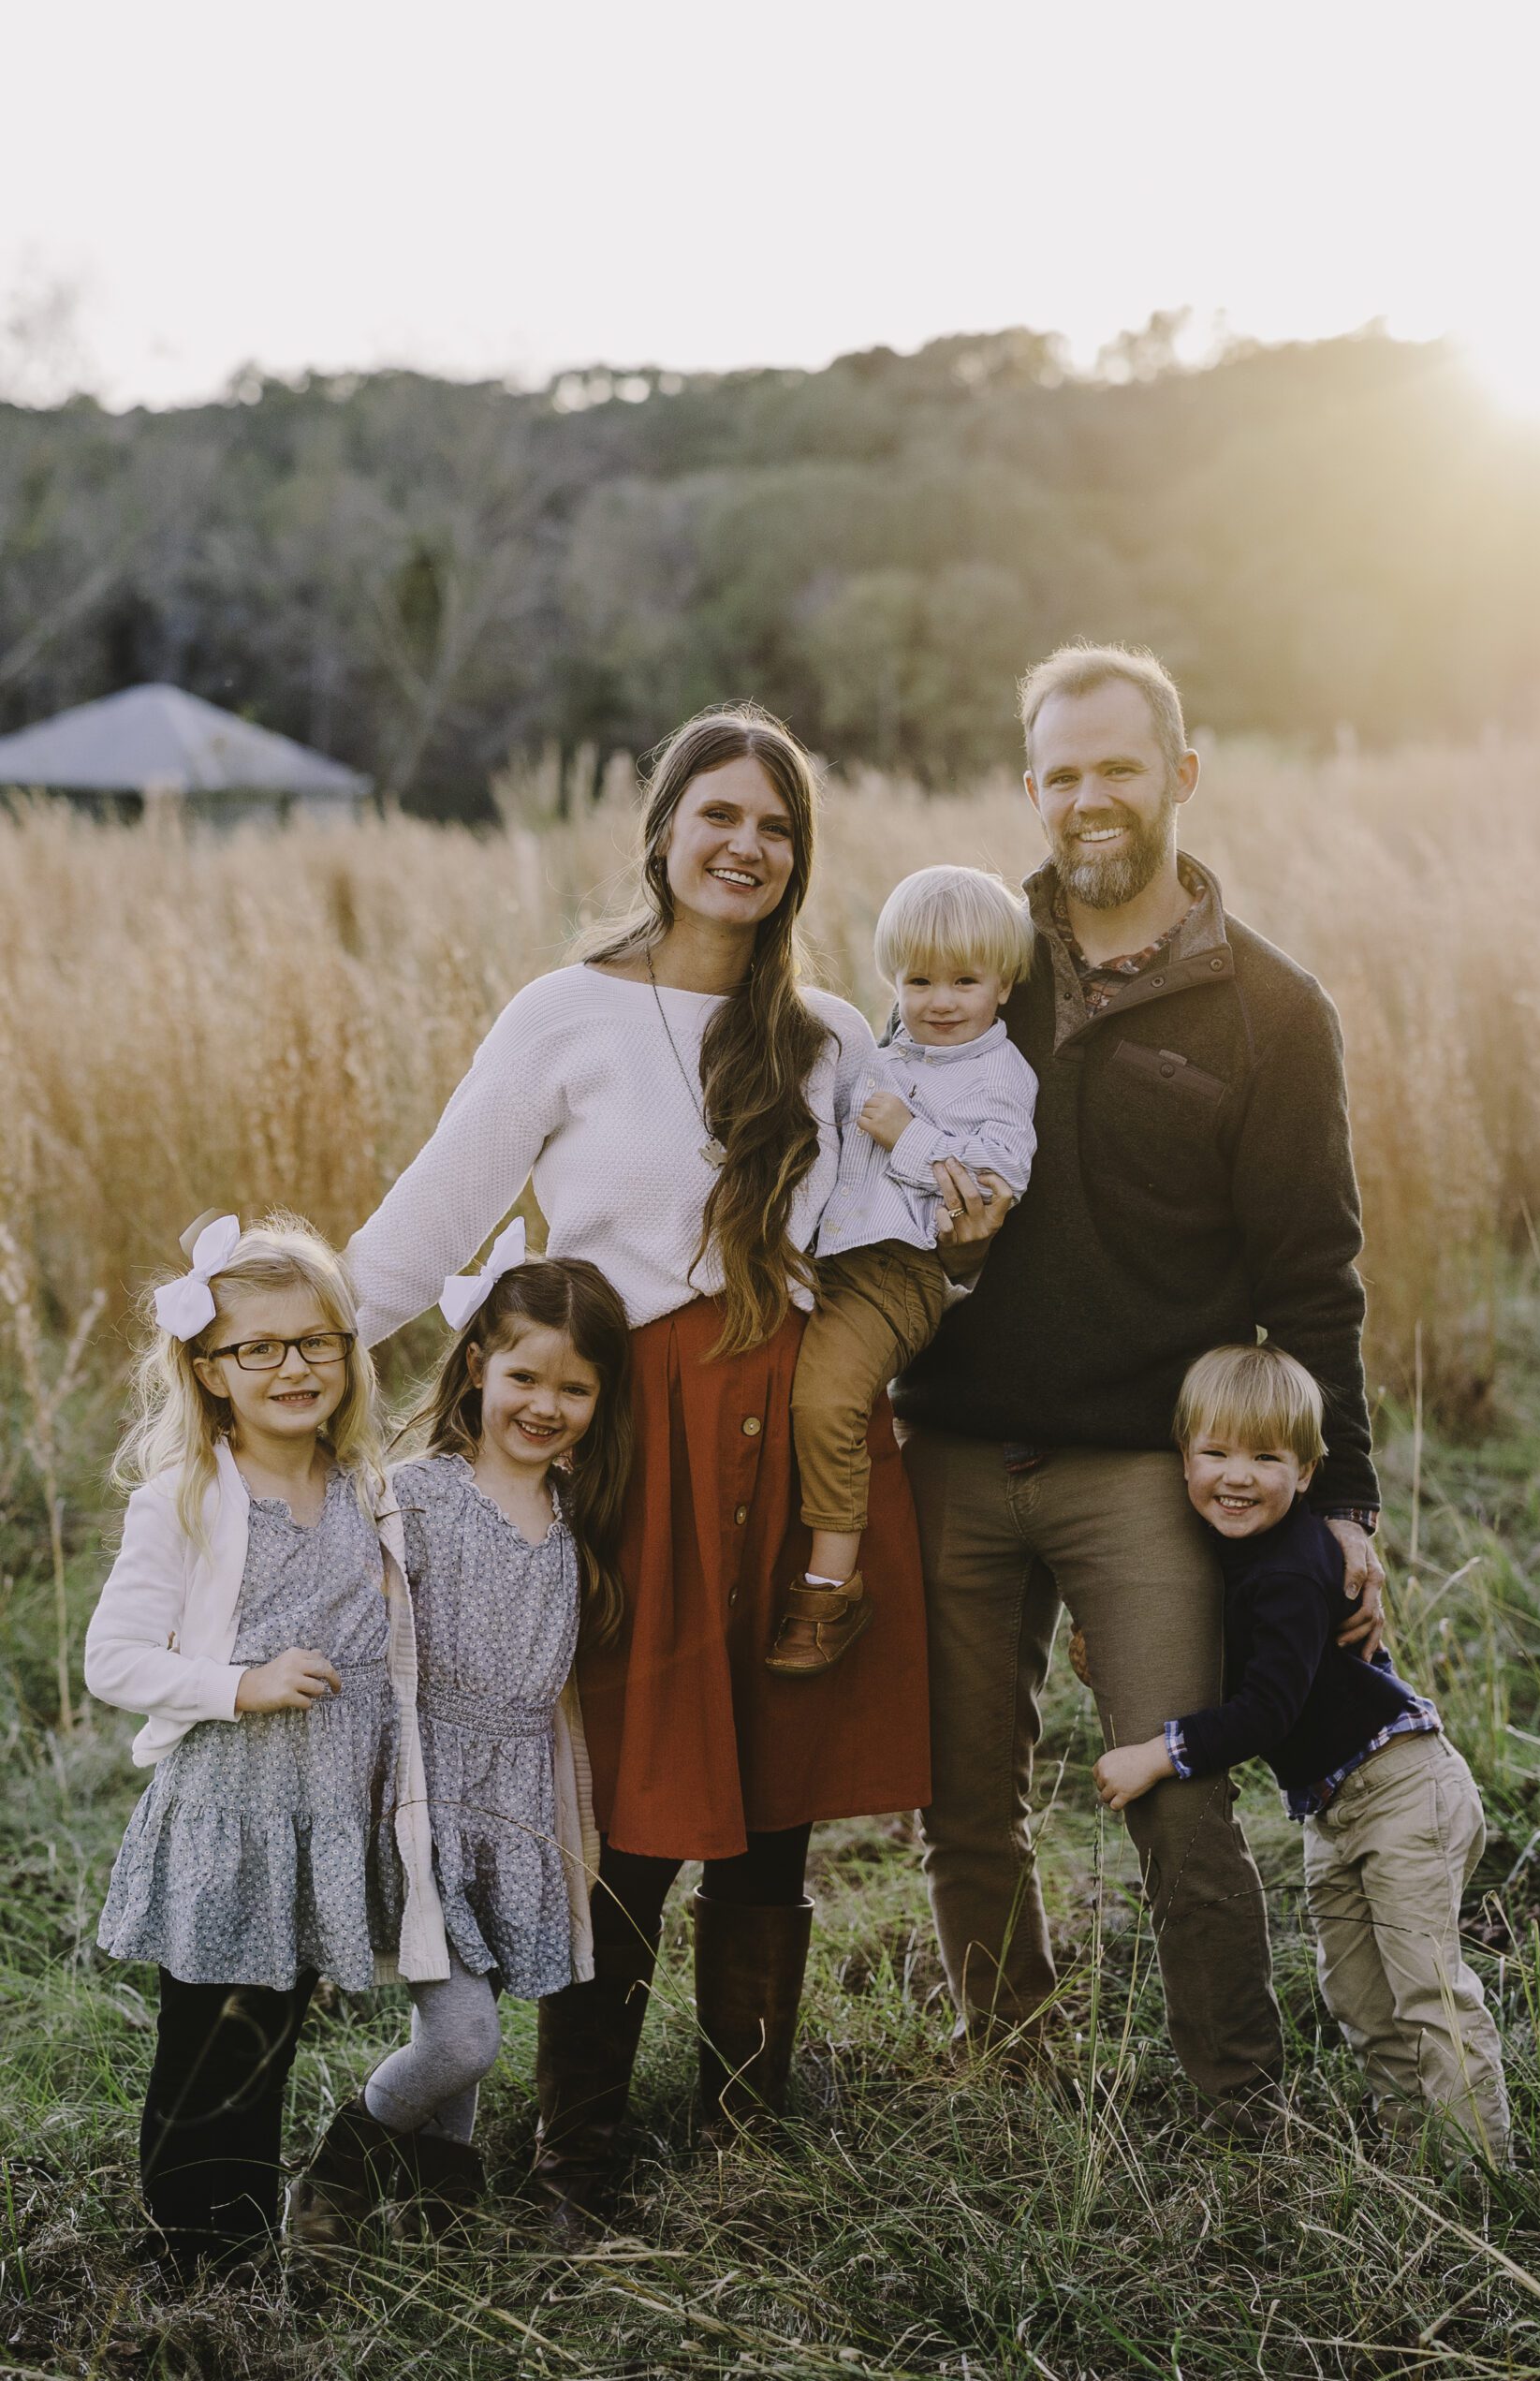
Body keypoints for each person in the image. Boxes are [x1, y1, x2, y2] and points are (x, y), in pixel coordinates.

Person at [345, 702, 950, 2221]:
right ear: (664, 830)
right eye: (719, 814)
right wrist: (285, 1348)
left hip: (792, 1439)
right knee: (620, 1805)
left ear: (799, 857)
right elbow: (433, 1218)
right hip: (632, 1442)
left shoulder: (829, 1038)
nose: (746, 845)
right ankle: (581, 2161)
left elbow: (895, 1232)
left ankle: (745, 2137)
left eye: (776, 826)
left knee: (775, 1796)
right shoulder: (565, 1012)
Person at [894, 641, 1386, 2131]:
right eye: (1060, 774)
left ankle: (1235, 2103)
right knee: (960, 1800)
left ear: (1178, 774)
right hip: (952, 1449)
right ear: (1027, 790)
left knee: (1176, 1787)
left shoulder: (1269, 1010)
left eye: (1116, 766)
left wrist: (1345, 1501)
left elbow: (1312, 1276)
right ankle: (1012, 2065)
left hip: (1137, 1467)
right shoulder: (973, 967)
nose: (1087, 797)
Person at [84, 1213, 448, 2283]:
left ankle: (243, 2246)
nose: (294, 1366)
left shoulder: (366, 1489)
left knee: (270, 2038)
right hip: (228, 1817)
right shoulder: (188, 1499)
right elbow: (112, 1659)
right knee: (208, 2048)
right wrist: (237, 1685)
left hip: (319, 1819)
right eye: (259, 1348)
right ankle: (193, 2259)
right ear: (209, 1371)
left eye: (317, 1340)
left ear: (349, 1350)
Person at [1094, 1344, 1510, 2164]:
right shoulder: (1228, 1551)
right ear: (1182, 1457)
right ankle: (1414, 2151)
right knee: (1356, 1994)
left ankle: (1481, 2176)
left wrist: (1159, 1754)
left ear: (1307, 1471)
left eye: (1265, 1458)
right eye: (1215, 1452)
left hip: (1403, 1790)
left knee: (1425, 1990)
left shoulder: (1290, 1566)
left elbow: (1266, 1711)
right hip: (1334, 1807)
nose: (1236, 1476)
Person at [291, 1242, 629, 2240]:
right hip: (423, 1797)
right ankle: (335, 2175)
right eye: (525, 1376)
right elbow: (352, 1632)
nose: (545, 1405)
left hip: (514, 1800)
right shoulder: (416, 1498)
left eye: (575, 1388)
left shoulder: (579, 1510)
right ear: (477, 1363)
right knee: (465, 2038)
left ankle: (437, 2209)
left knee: (460, 2010)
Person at [769, 865, 1037, 1675]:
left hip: (902, 1273)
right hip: (831, 1260)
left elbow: (996, 1181)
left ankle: (831, 1587)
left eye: (964, 981)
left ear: (1003, 984)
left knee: (826, 1402)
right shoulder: (883, 1054)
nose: (939, 1001)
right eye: (919, 981)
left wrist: (907, 1135)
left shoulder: (1000, 1076)